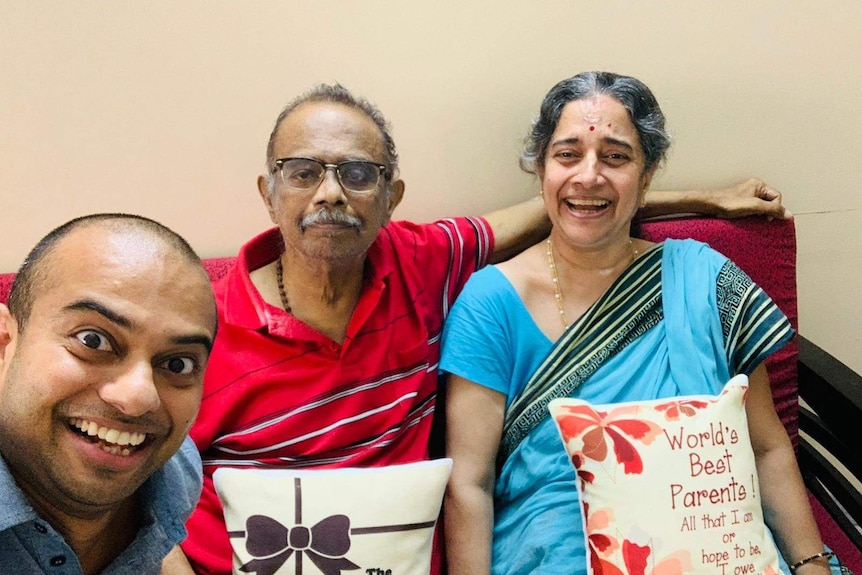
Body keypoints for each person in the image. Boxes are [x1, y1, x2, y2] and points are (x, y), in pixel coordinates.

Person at [179, 83, 789, 574]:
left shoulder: (423, 262)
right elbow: (142, 496)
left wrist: (704, 200)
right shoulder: (195, 325)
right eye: (303, 171)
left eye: (358, 174)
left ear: (392, 196)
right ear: (268, 191)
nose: (331, 194)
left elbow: (578, 201)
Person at [440, 71, 831, 575]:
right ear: (541, 171)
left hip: (713, 548)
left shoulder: (702, 278)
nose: (588, 176)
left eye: (616, 156)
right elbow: (469, 483)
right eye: (567, 154)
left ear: (647, 176)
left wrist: (812, 564)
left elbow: (767, 445)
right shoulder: (491, 301)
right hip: (558, 553)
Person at [0, 214, 218, 575]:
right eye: (93, 341)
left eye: (177, 364)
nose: (138, 398)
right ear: (5, 343)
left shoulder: (174, 468)